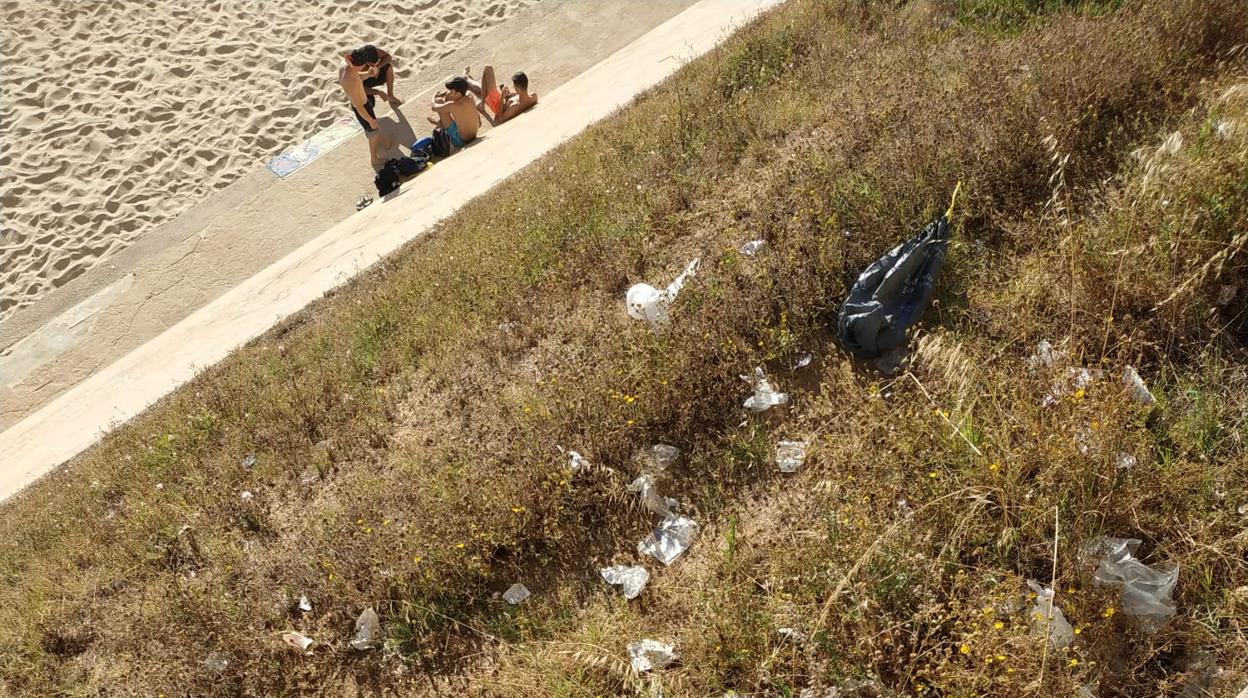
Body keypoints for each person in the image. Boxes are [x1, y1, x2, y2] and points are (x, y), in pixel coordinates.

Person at [339, 44, 402, 165]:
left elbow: (359, 76)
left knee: (375, 126)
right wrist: (369, 119)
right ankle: (374, 158)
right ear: (359, 65)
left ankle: (386, 141)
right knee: (372, 132)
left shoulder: (347, 69)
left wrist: (368, 73)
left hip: (363, 102)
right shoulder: (350, 81)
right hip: (362, 107)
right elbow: (358, 106)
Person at [465, 66, 538, 125]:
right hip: (504, 102)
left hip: (498, 105)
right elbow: (523, 96)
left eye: (514, 87)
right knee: (482, 91)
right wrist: (512, 95)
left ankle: (466, 79)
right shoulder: (533, 96)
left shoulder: (514, 106)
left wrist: (502, 97)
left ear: (518, 88)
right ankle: (469, 84)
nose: (513, 87)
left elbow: (500, 119)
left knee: (487, 69)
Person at [427, 76, 480, 150]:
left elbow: (433, 107)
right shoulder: (469, 96)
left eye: (451, 89)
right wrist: (447, 94)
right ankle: (442, 123)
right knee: (449, 98)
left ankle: (441, 125)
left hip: (461, 140)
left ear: (458, 93)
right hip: (474, 134)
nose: (450, 91)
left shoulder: (452, 105)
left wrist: (434, 96)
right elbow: (454, 95)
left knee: (439, 101)